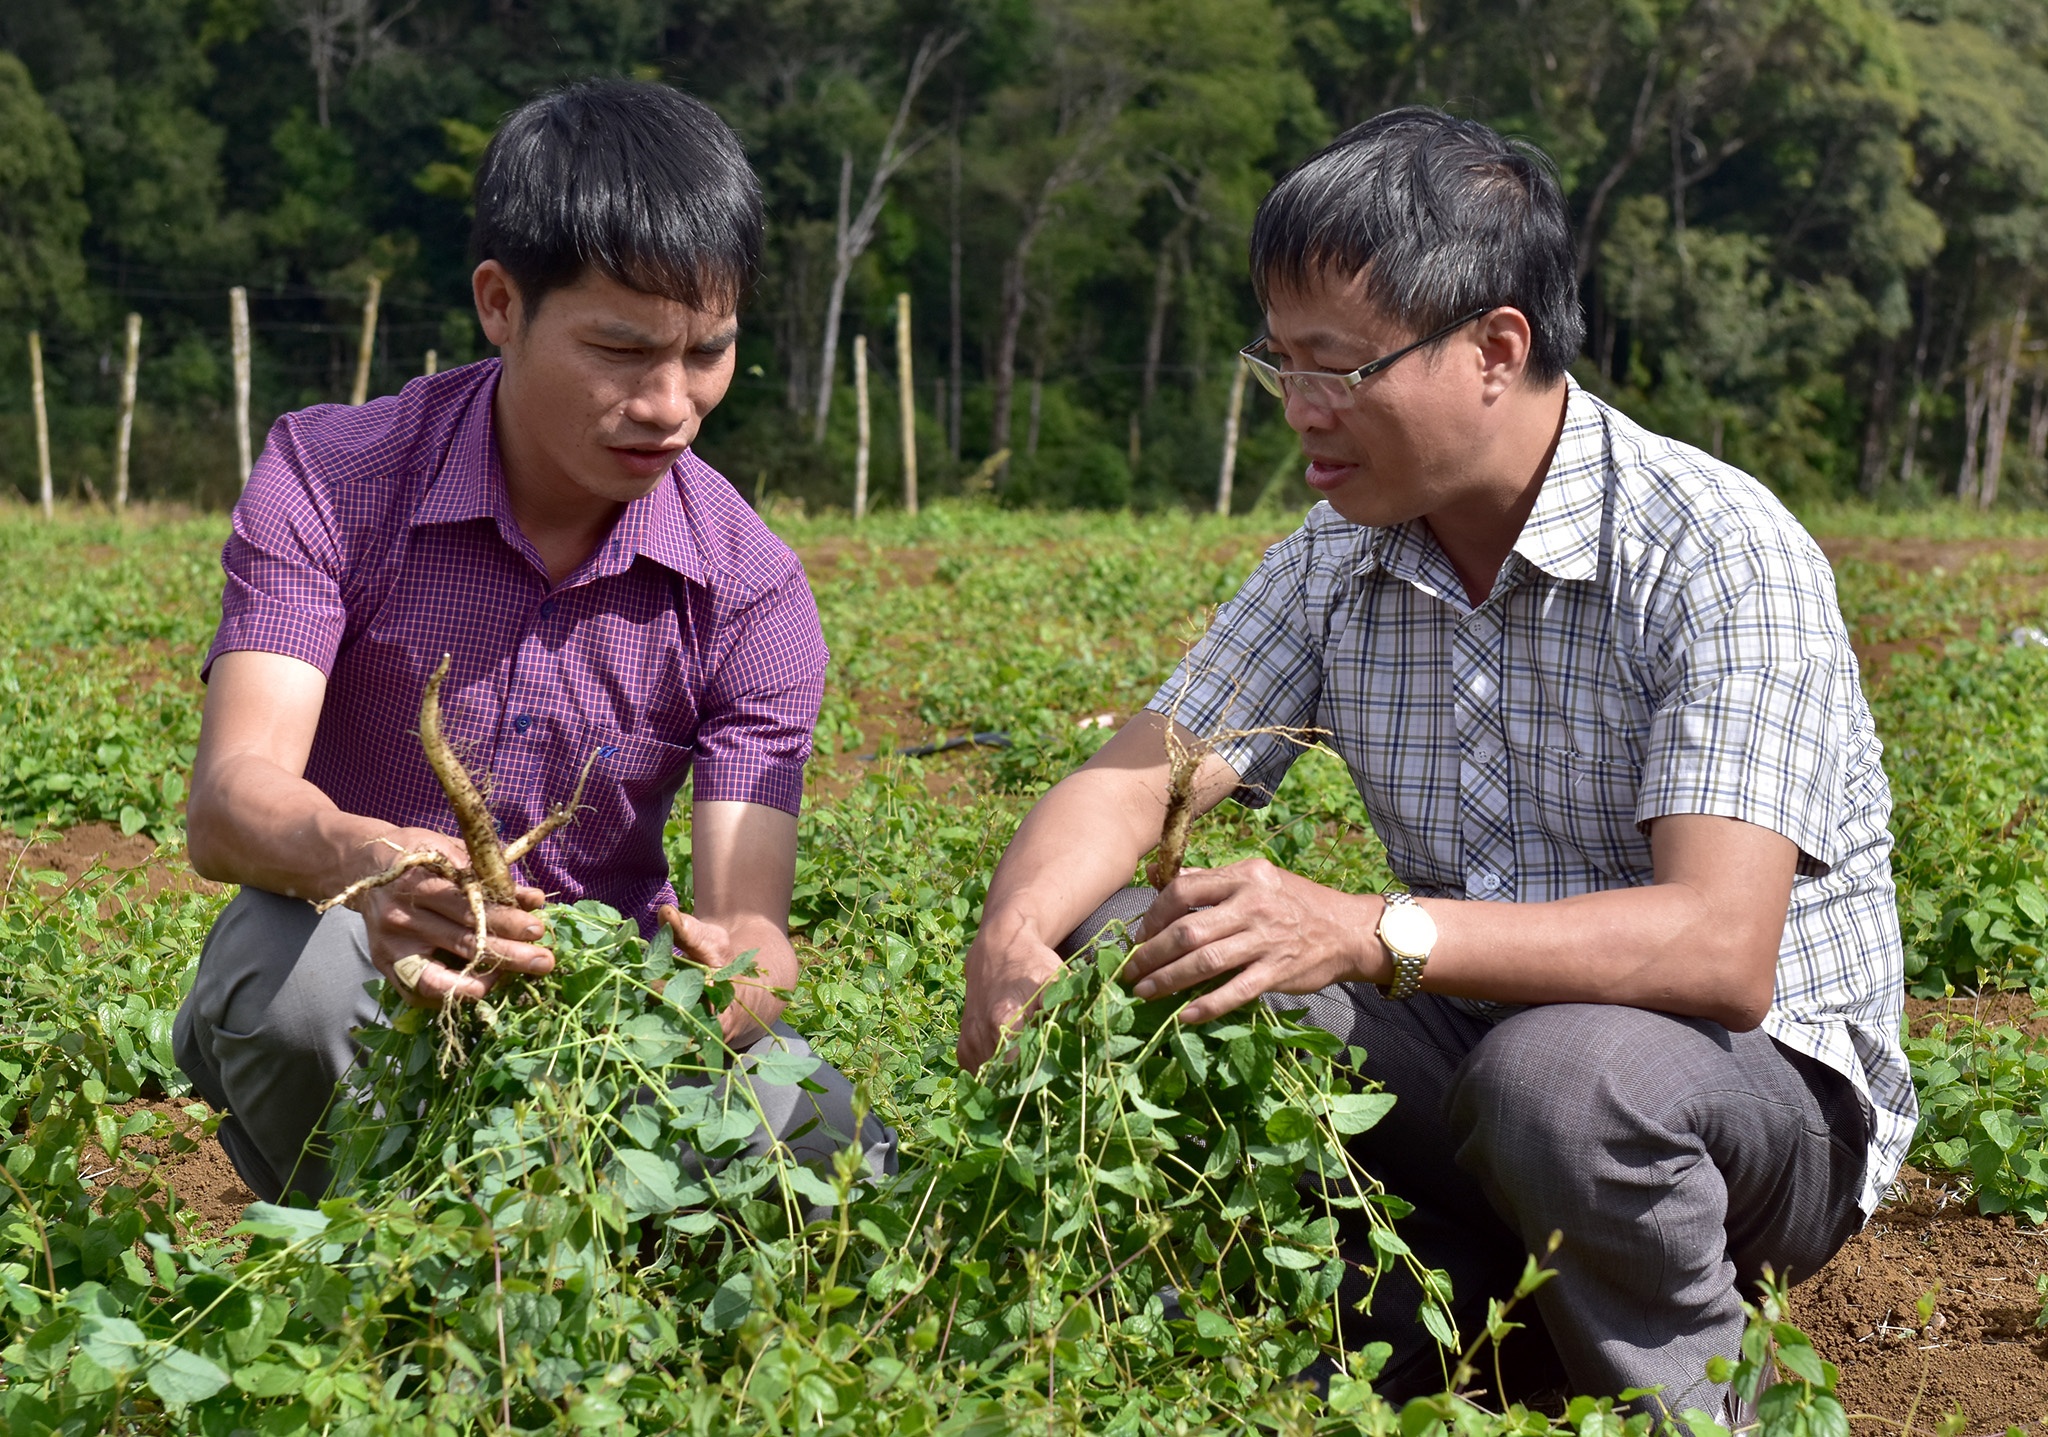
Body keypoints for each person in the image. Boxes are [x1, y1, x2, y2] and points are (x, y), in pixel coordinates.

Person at [957, 108, 1909, 1424]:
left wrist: (1361, 927)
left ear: (1494, 349)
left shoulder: (1712, 548)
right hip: (1486, 1067)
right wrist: (1011, 936)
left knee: (1560, 1079)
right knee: (1147, 944)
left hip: (1747, 1102)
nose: (1302, 410)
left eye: (1338, 368)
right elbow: (1138, 776)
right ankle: (1435, 1324)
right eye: (1280, 363)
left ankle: (1689, 1400)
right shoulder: (1344, 547)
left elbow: (1719, 950)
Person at [176, 79, 892, 1204]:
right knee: (299, 990)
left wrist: (736, 979)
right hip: (367, 971)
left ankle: (598, 1292)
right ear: (500, 303)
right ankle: (364, 1272)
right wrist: (374, 864)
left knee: (831, 1142)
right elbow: (229, 801)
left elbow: (749, 921)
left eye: (707, 353)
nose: (669, 405)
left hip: (592, 1022)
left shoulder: (750, 589)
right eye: (619, 350)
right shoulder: (334, 480)